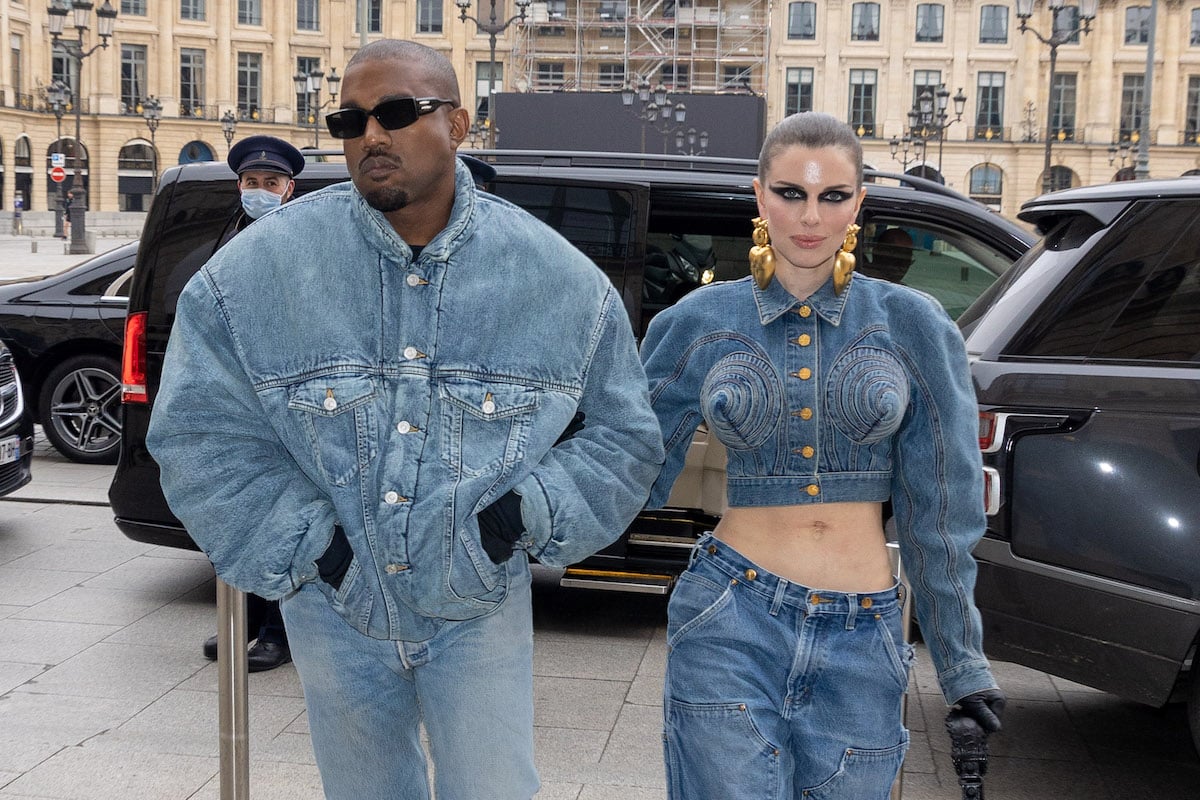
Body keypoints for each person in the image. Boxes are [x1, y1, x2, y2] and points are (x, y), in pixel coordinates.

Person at [146, 39, 662, 799]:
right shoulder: (256, 275)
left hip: (479, 610)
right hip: (332, 612)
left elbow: (625, 439)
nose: (371, 137)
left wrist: (511, 522)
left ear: (458, 124)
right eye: (350, 120)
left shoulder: (559, 281)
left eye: (396, 112)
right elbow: (199, 435)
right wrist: (319, 554)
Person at [641, 111, 1005, 799]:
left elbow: (943, 508)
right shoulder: (696, 322)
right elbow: (623, 464)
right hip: (729, 616)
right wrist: (523, 521)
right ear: (760, 197)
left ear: (858, 204)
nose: (810, 216)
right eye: (791, 193)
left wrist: (962, 663)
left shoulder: (914, 324)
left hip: (863, 632)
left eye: (833, 196)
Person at [197, 134, 307, 673]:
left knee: (283, 519)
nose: (259, 190)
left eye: (271, 183)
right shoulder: (229, 240)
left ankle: (277, 630)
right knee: (238, 514)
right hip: (235, 406)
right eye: (251, 183)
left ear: (290, 189)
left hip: (285, 405)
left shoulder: (302, 243)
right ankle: (237, 617)